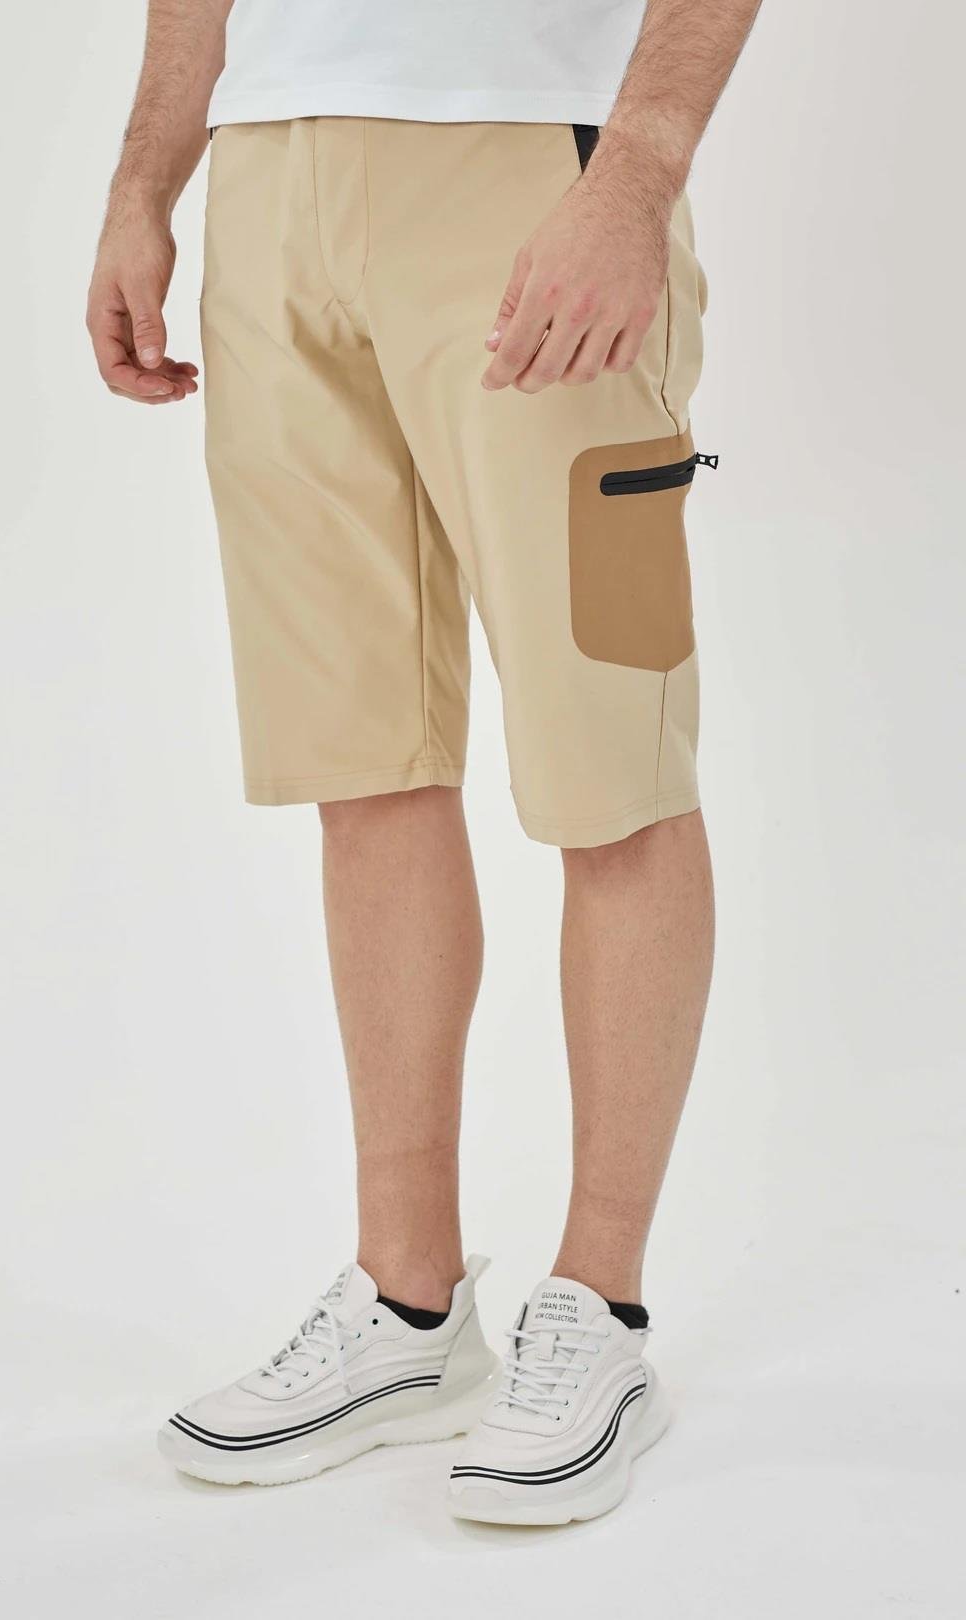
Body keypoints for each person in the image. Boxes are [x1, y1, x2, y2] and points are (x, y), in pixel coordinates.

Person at [87, 0, 761, 1526]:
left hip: (530, 160)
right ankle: (407, 1310)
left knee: (612, 756)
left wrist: (637, 173)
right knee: (363, 758)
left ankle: (601, 1307)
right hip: (272, 174)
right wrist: (145, 183)